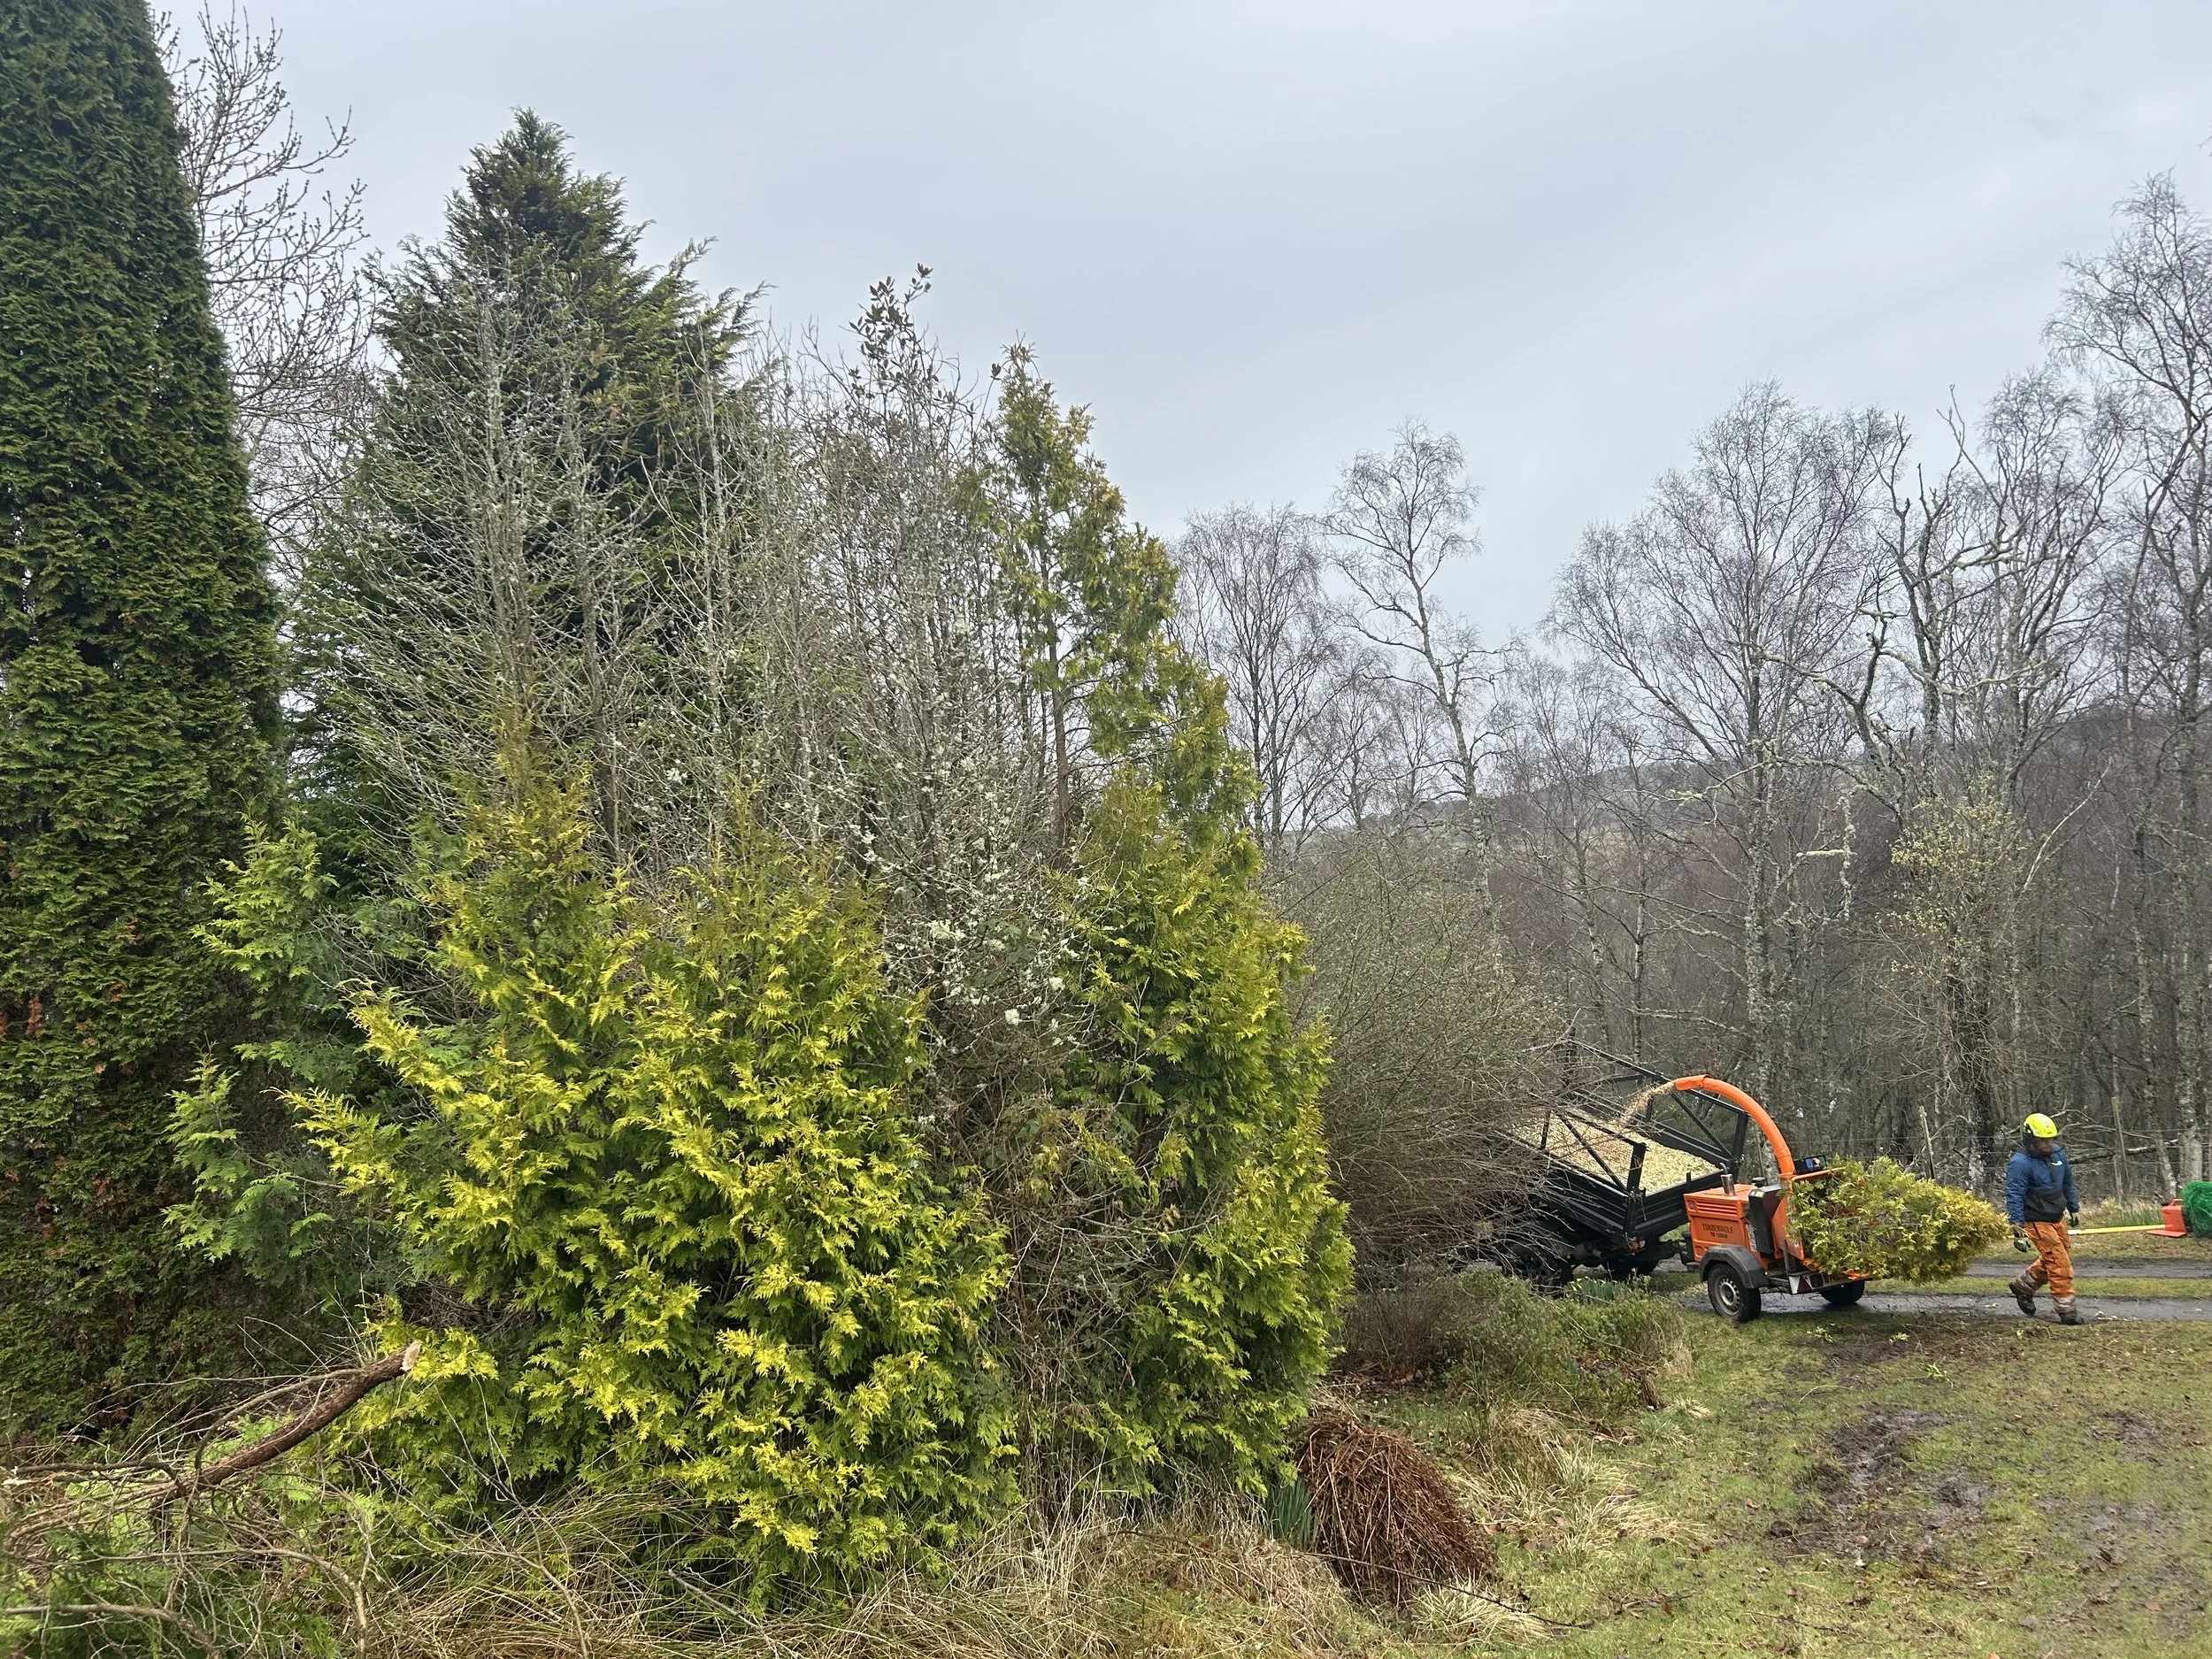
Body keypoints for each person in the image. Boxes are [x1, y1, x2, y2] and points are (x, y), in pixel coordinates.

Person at [2006, 1112, 2085, 1325]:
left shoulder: (2059, 1155)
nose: (2048, 1145)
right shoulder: (2020, 1163)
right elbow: (2014, 1196)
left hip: (2057, 1217)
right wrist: (2018, 1230)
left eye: (2051, 1140)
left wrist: (2073, 1208)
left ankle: (2023, 1286)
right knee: (2060, 1264)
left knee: (2057, 1258)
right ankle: (2067, 1311)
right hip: (2036, 1220)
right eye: (2043, 1141)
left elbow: (2067, 1182)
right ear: (2030, 1140)